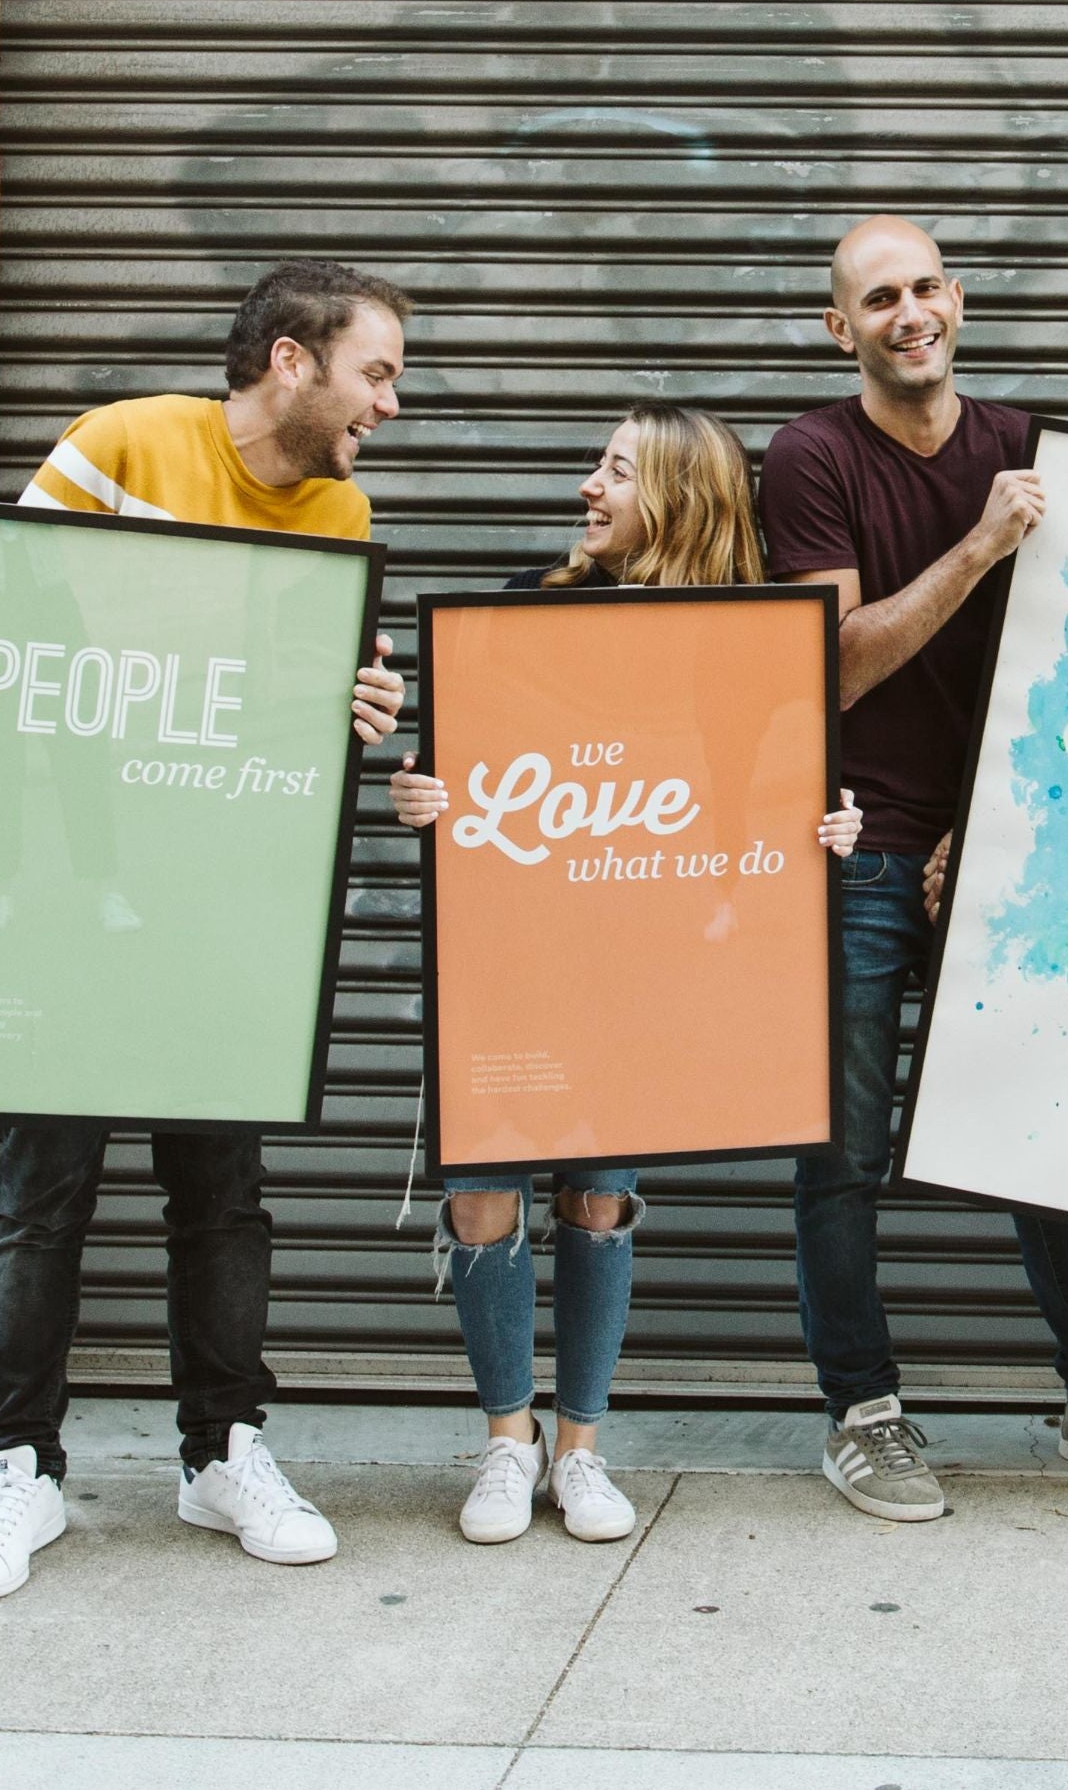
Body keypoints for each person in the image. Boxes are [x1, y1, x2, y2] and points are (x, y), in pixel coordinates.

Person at [0, 260, 420, 1604]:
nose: (391, 406)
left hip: (217, 895)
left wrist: (351, 718)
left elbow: (278, 717)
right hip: (78, 892)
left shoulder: (341, 509)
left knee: (223, 1197)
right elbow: (0, 633)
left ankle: (223, 1451)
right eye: (379, 372)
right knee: (37, 1196)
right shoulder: (122, 446)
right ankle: (16, 1470)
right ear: (293, 361)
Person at [757, 215, 1068, 1522]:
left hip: (1007, 842)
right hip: (861, 839)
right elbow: (832, 662)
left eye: (925, 287)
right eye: (878, 298)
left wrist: (998, 824)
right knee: (842, 1154)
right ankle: (863, 1416)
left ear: (959, 301)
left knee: (1043, 1136)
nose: (907, 312)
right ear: (839, 326)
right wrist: (978, 546)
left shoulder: (1029, 442)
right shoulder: (811, 457)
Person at [384, 406, 867, 1547]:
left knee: (600, 1195)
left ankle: (582, 1447)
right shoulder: (518, 609)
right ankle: (507, 1442)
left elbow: (766, 791)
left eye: (615, 471)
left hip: (640, 958)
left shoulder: (743, 646)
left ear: (681, 498)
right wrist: (426, 798)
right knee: (483, 1192)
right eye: (593, 465)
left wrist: (827, 826)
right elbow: (462, 775)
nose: (586, 488)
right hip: (514, 947)